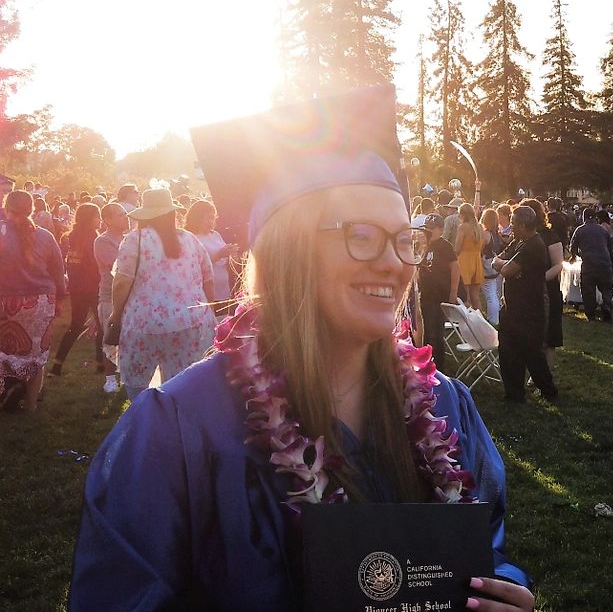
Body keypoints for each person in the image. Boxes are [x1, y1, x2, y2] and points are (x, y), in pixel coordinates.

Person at [70, 88, 534, 611]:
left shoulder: (448, 408)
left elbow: (483, 551)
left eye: (406, 239)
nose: (394, 263)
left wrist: (501, 593)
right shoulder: (180, 430)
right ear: (288, 248)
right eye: (362, 234)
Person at [107, 188, 216, 398]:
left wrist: (116, 313)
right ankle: (175, 423)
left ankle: (146, 422)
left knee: (137, 385)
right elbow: (208, 278)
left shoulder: (135, 240)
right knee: (180, 386)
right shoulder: (189, 239)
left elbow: (122, 281)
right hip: (189, 321)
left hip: (144, 322)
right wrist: (206, 310)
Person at [0, 191, 65, 412]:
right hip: (41, 302)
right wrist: (60, 300)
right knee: (36, 355)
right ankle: (30, 404)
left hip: (6, 302)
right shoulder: (45, 236)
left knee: (4, 352)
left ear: (6, 207)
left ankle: (5, 393)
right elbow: (58, 271)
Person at [493, 206, 557, 401]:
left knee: (532, 353)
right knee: (509, 352)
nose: (510, 227)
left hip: (529, 308)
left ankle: (548, 390)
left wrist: (505, 266)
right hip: (512, 307)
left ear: (522, 225)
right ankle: (514, 393)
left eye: (513, 224)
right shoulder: (519, 241)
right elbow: (498, 260)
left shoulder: (534, 245)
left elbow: (505, 270)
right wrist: (504, 264)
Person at [49, 203, 103, 377]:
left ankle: (57, 365)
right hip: (93, 286)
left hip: (77, 287)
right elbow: (94, 265)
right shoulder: (93, 239)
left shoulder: (71, 236)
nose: (99, 219)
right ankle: (101, 364)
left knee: (75, 325)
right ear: (89, 218)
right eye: (97, 216)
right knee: (101, 325)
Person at [521, 198, 564, 365]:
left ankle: (545, 378)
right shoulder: (521, 238)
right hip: (525, 292)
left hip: (547, 290)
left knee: (549, 337)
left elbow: (558, 264)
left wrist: (539, 279)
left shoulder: (549, 236)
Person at [94, 203, 129, 393]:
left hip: (130, 295)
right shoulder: (102, 241)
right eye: (120, 215)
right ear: (107, 220)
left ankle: (126, 374)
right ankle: (109, 379)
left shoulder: (129, 239)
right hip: (110, 296)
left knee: (128, 337)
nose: (125, 217)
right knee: (111, 337)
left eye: (125, 214)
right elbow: (118, 266)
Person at [418, 213, 460, 373]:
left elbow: (455, 268)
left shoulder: (445, 246)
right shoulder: (424, 244)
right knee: (427, 331)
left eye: (431, 229)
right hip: (426, 294)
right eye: (426, 228)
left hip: (439, 295)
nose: (428, 231)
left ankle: (438, 367)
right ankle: (426, 361)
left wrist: (453, 292)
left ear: (441, 230)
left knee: (436, 332)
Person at [184, 199, 238, 307]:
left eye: (213, 217)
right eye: (208, 218)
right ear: (197, 218)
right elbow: (194, 265)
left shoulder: (216, 235)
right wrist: (219, 255)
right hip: (207, 293)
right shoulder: (191, 238)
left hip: (225, 290)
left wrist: (232, 254)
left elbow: (225, 259)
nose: (211, 221)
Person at [570, 209, 613, 321]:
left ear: (584, 218)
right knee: (607, 288)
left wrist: (574, 256)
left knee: (588, 289)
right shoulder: (603, 230)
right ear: (596, 218)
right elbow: (609, 247)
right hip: (604, 263)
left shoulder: (579, 230)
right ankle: (606, 305)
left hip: (589, 264)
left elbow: (572, 246)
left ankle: (591, 313)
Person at [455, 202, 485, 311]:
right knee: (475, 297)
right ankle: (480, 322)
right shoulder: (479, 227)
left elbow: (457, 248)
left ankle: (467, 323)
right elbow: (483, 244)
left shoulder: (462, 227)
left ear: (462, 214)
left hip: (464, 262)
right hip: (476, 261)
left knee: (465, 297)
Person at [479, 207, 503, 325]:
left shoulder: (485, 234)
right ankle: (495, 316)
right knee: (494, 293)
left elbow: (479, 249)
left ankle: (493, 319)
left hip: (486, 267)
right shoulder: (497, 234)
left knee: (490, 294)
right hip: (495, 266)